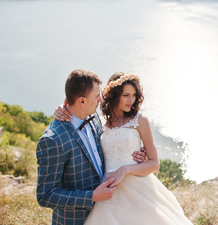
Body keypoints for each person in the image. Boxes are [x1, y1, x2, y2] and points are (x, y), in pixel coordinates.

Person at [56, 71, 193, 224]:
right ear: (114, 95)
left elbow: (154, 164)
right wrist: (62, 108)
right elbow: (77, 110)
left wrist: (125, 169)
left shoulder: (140, 121)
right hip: (108, 189)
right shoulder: (98, 121)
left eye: (134, 95)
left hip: (137, 189)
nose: (131, 100)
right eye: (126, 95)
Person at [36, 69, 147, 225]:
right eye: (97, 97)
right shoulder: (53, 140)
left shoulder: (93, 117)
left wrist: (132, 153)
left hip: (109, 212)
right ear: (82, 101)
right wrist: (92, 196)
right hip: (75, 220)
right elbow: (45, 195)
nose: (100, 100)